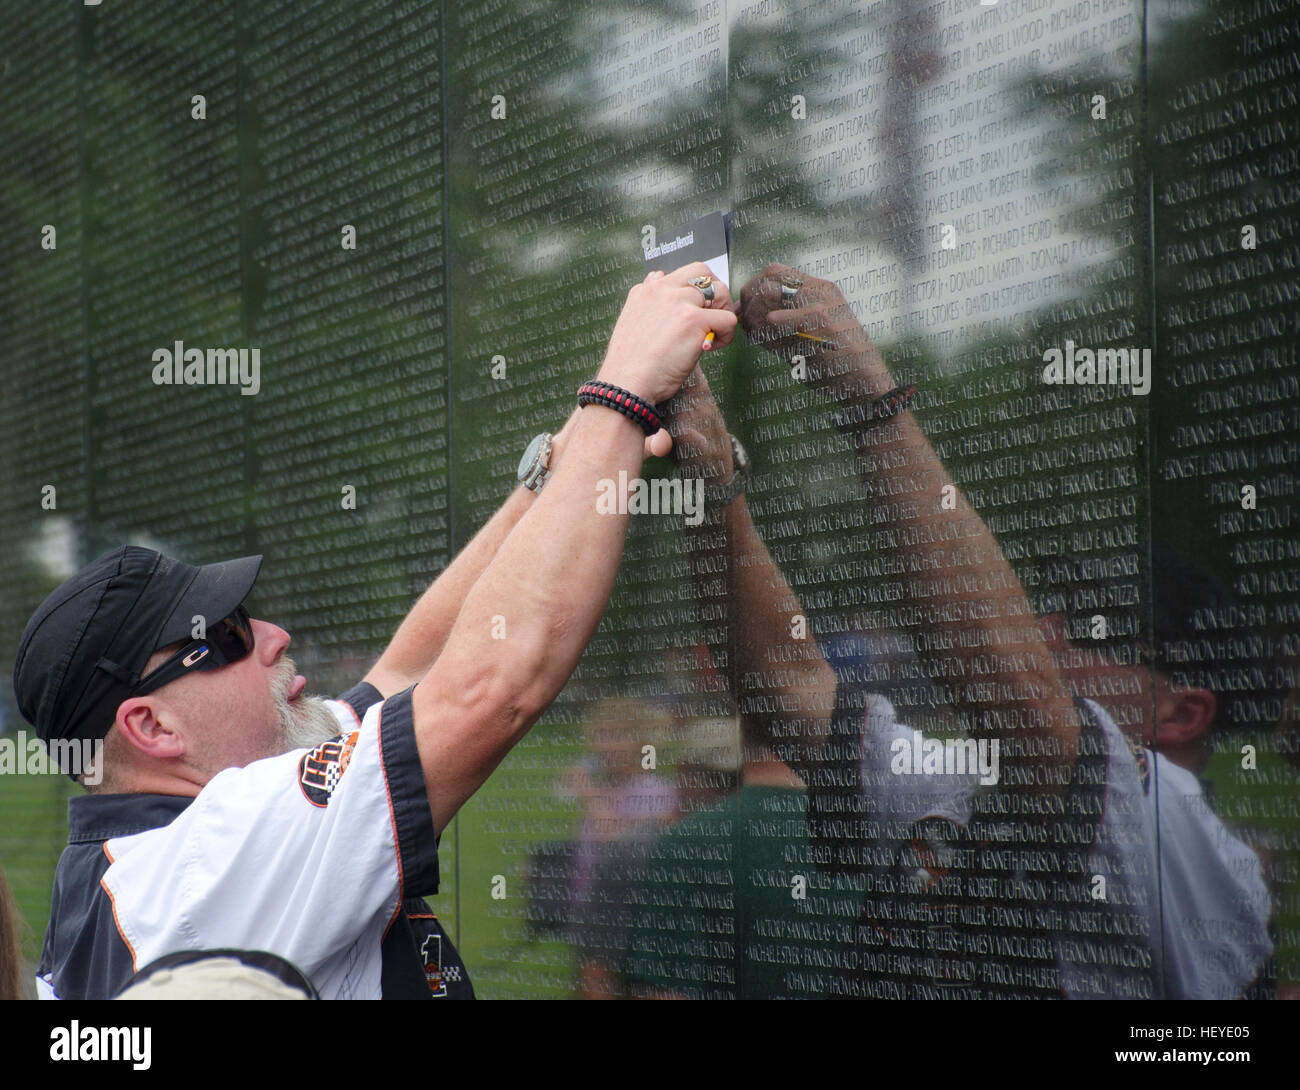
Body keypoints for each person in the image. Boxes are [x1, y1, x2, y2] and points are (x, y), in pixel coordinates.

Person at [14, 263, 738, 1000]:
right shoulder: (211, 852)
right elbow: (490, 688)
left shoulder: (128, 860)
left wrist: (586, 435)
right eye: (225, 636)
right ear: (152, 725)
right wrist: (620, 393)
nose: (271, 634)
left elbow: (407, 670)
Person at [677, 263, 1272, 998]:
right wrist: (710, 474)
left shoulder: (1183, 839)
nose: (1050, 631)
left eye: (1097, 627)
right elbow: (790, 689)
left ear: (1183, 713)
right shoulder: (977, 785)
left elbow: (1014, 696)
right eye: (1050, 607)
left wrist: (872, 403)